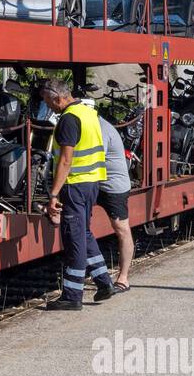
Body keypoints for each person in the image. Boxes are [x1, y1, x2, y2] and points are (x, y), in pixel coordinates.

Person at [42, 79, 114, 309]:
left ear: (57, 98)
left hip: (74, 186)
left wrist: (53, 194)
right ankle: (104, 281)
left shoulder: (68, 119)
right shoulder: (88, 113)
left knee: (74, 239)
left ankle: (72, 296)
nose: (49, 107)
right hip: (92, 183)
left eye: (48, 102)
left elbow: (65, 160)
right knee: (83, 233)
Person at [94, 114, 133, 293]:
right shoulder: (91, 125)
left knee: (121, 229)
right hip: (95, 182)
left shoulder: (102, 128)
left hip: (113, 186)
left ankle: (123, 279)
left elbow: (95, 157)